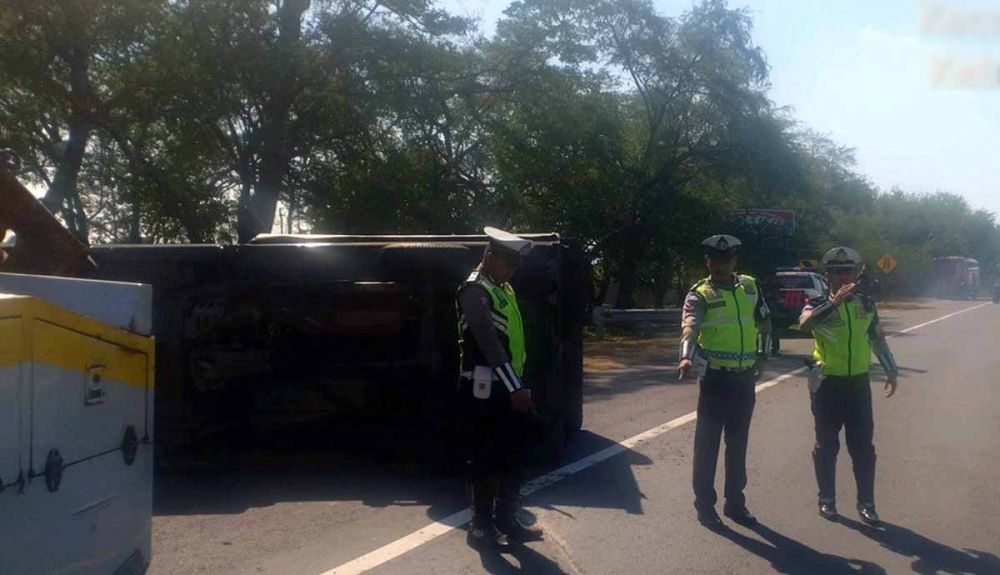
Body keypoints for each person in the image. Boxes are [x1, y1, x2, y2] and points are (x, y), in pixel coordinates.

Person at [799, 246, 900, 526]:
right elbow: (805, 325)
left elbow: (877, 338)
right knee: (826, 446)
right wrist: (835, 303)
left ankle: (866, 503)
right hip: (828, 384)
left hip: (857, 385)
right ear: (828, 276)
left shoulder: (866, 304)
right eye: (837, 272)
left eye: (849, 271)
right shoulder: (816, 302)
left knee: (863, 448)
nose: (844, 277)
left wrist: (891, 370)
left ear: (858, 273)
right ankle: (827, 499)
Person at [456, 227, 543, 548]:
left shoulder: (502, 288)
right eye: (509, 263)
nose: (513, 270)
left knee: (514, 454)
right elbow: (489, 345)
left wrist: (517, 386)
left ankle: (507, 518)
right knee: (485, 457)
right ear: (490, 256)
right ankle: (480, 526)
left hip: (508, 387)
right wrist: (515, 388)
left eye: (516, 265)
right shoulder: (474, 291)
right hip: (483, 391)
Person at [677, 234, 772, 529]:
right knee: (707, 447)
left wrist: (762, 356)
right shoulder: (699, 294)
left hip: (744, 381)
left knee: (738, 444)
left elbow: (765, 322)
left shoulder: (750, 286)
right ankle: (705, 506)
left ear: (734, 260)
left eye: (725, 260)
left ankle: (735, 503)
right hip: (716, 379)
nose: (720, 266)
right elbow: (690, 327)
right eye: (714, 260)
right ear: (707, 261)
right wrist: (686, 356)